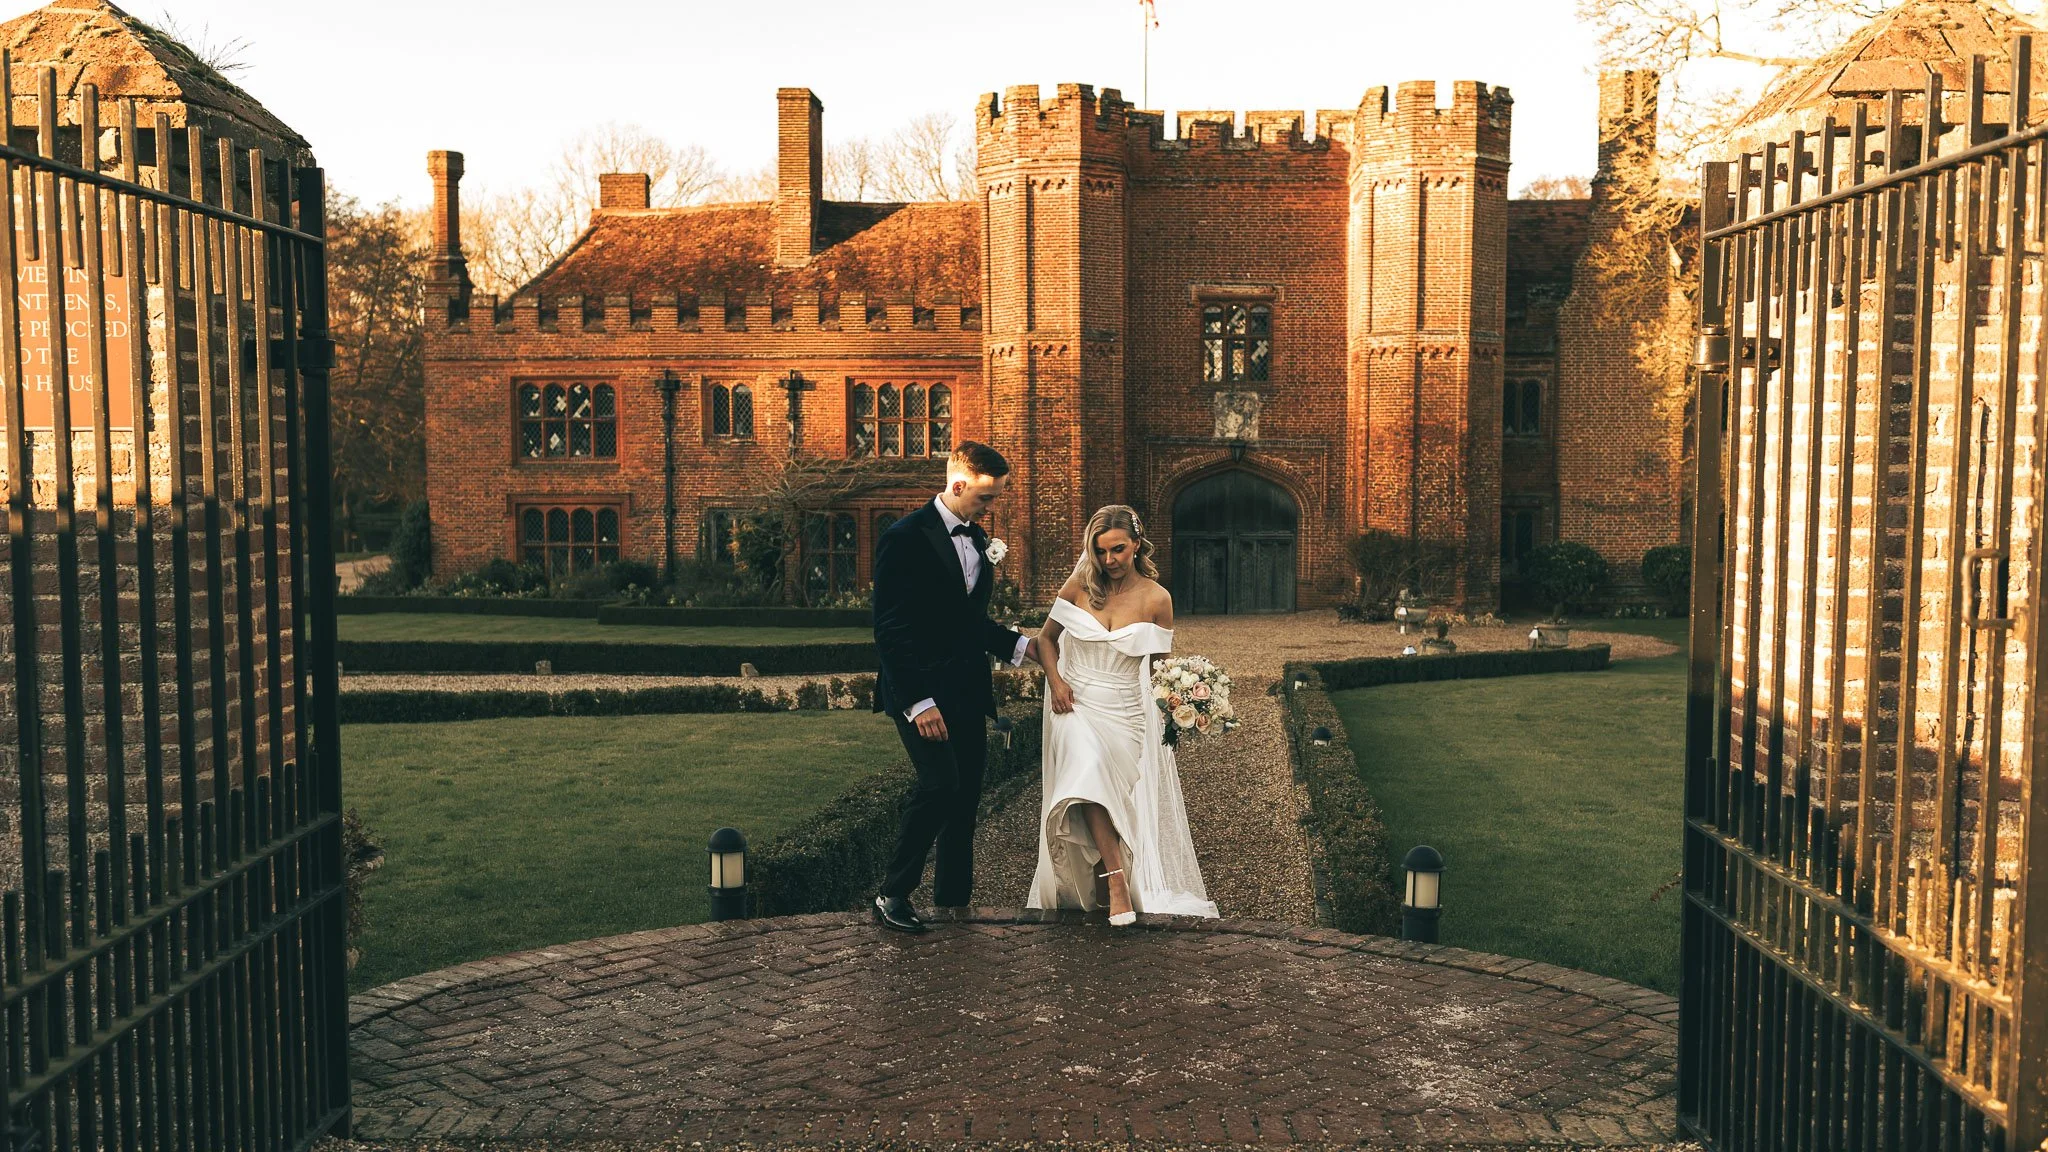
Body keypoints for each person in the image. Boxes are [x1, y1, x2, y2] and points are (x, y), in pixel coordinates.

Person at [1026, 504, 1217, 924]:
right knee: (1088, 769)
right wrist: (1057, 683)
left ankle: (1098, 882)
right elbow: (1045, 640)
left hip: (1126, 712)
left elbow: (1160, 671)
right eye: (1101, 552)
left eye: (1117, 550)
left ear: (1136, 544)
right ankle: (1116, 882)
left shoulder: (1157, 599)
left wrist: (1182, 702)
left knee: (1108, 796)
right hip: (1075, 702)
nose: (1109, 560)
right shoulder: (1078, 586)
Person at [869, 441, 1033, 933]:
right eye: (986, 498)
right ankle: (892, 893)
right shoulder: (904, 537)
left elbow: (970, 623)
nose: (990, 508)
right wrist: (920, 703)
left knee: (964, 802)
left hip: (966, 688)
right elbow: (890, 629)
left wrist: (1032, 650)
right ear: (958, 485)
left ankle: (954, 907)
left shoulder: (979, 542)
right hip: (918, 692)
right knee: (939, 785)